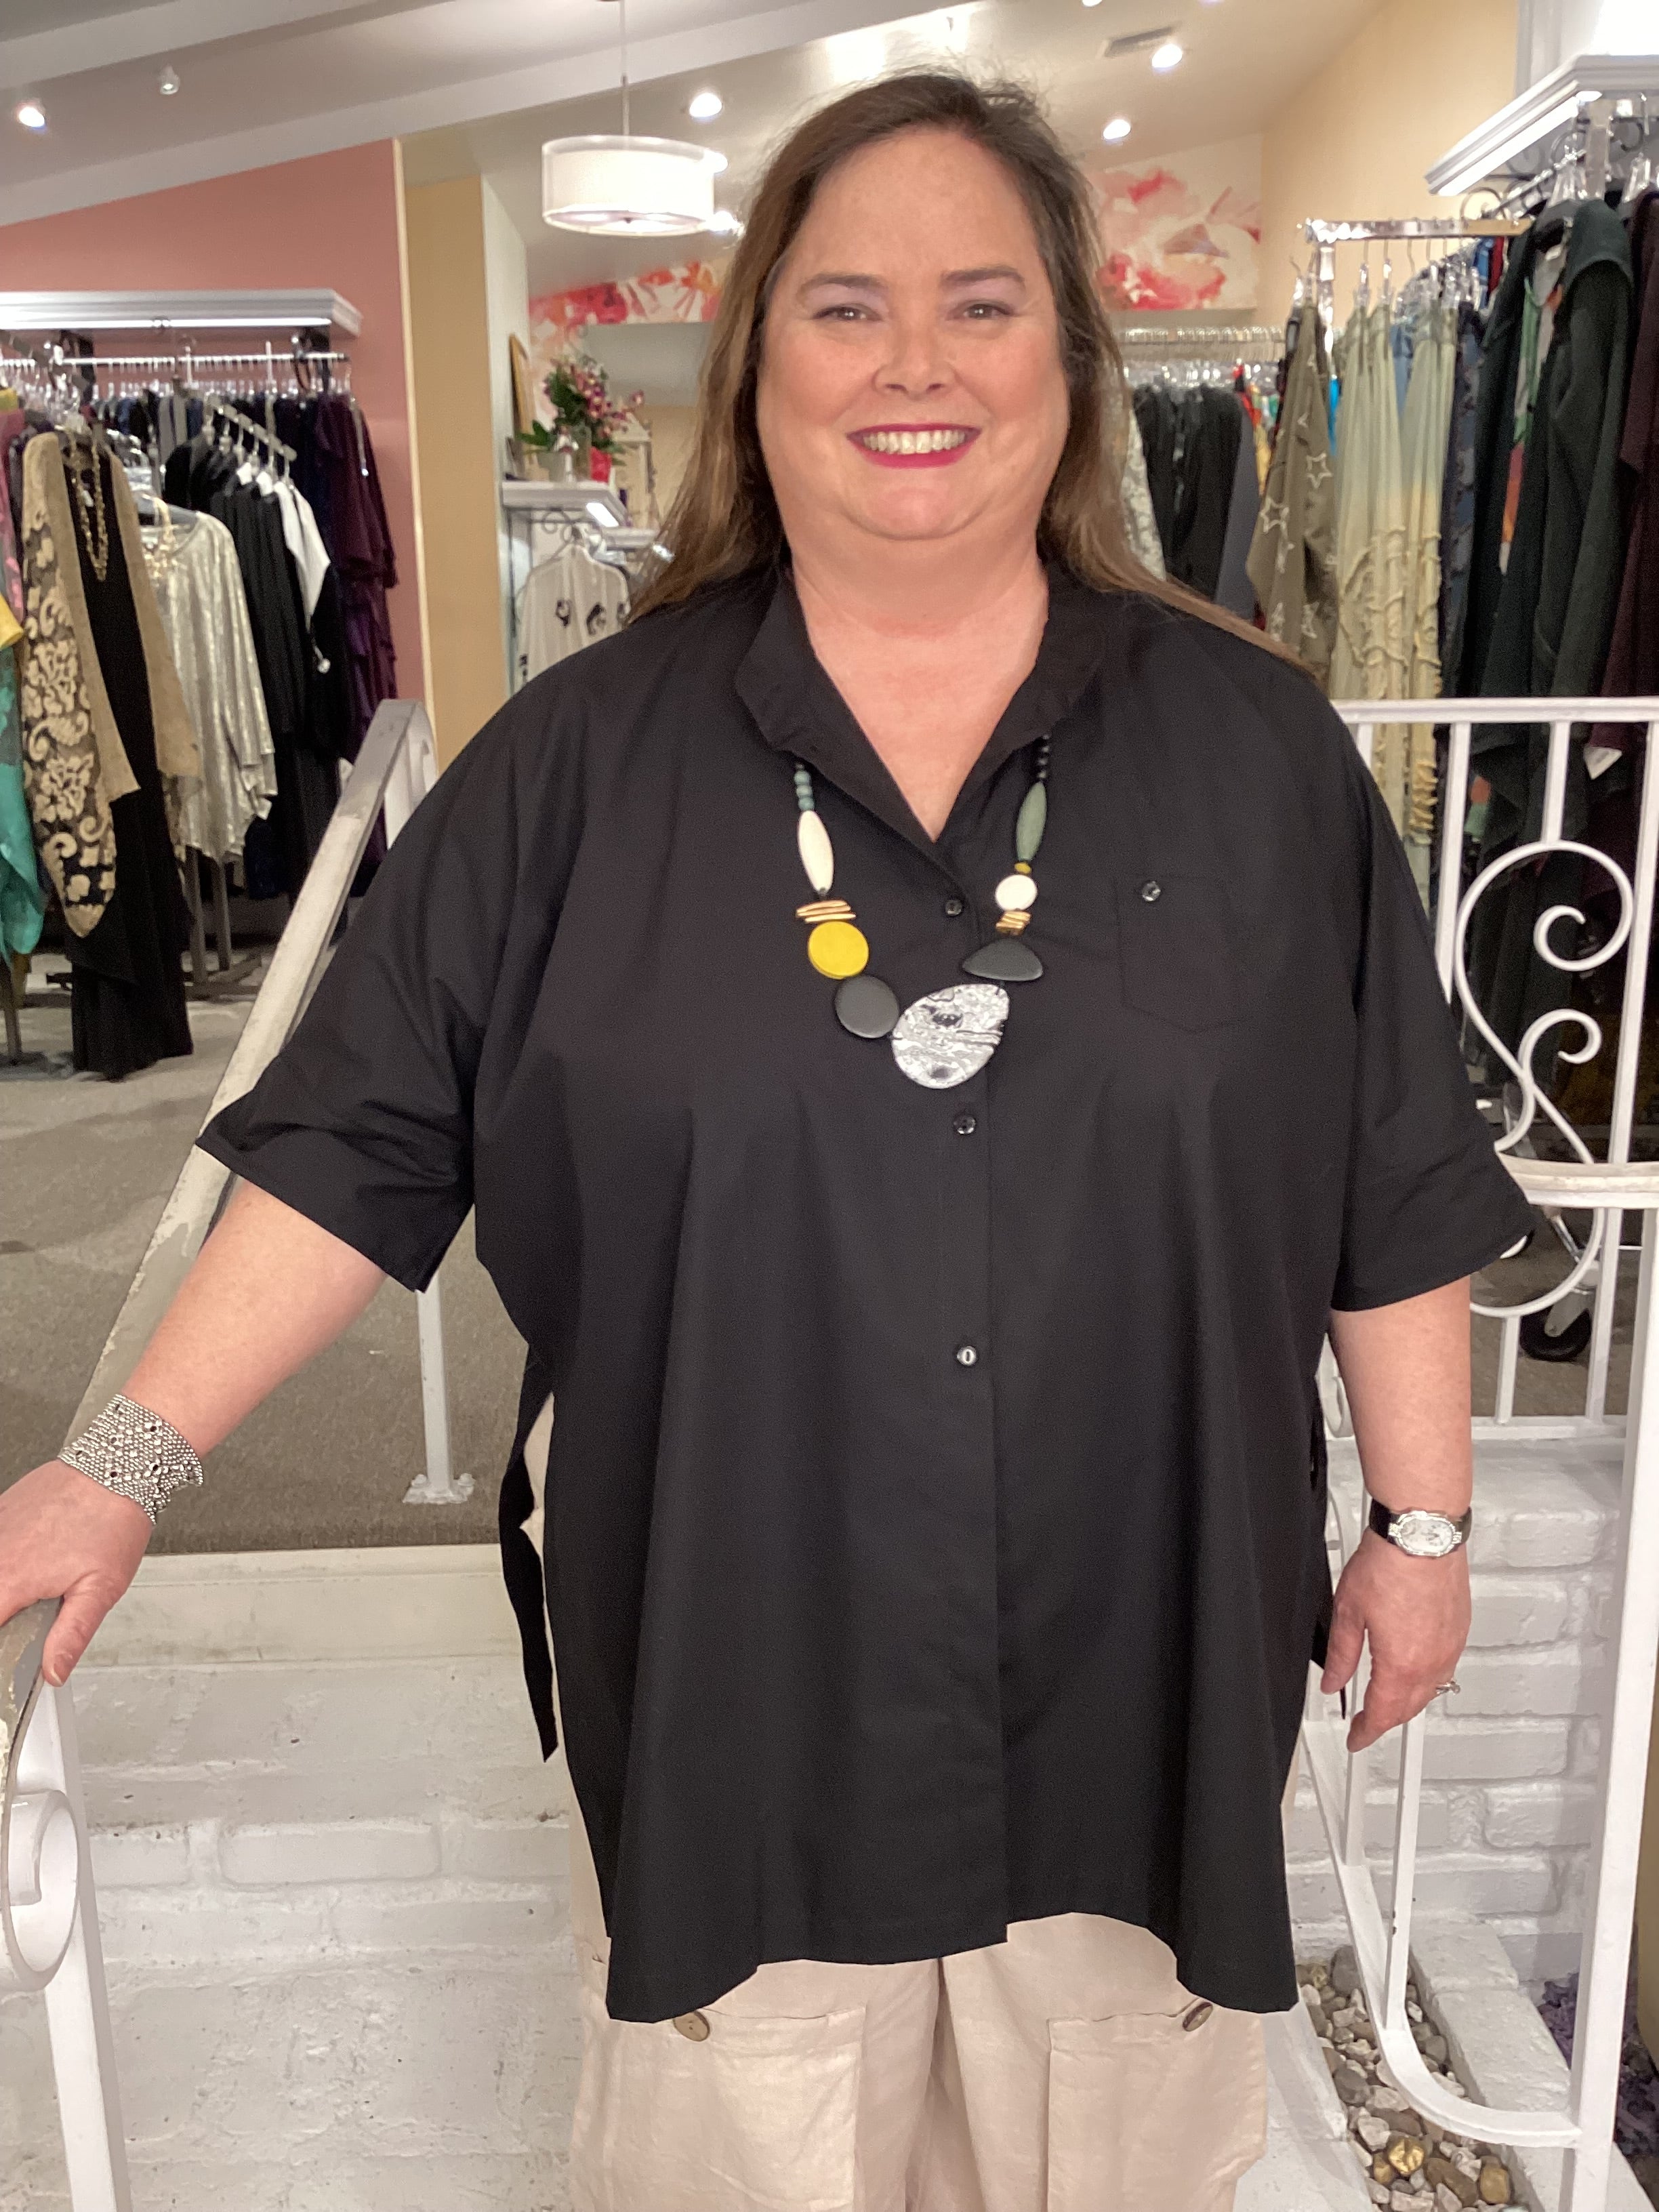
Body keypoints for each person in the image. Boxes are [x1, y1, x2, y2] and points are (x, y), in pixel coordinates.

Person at [0, 71, 1532, 2212]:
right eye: (845, 307)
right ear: (754, 368)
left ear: (1071, 363)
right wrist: (117, 1469)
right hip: (740, 1662)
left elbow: (1390, 1175)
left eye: (981, 304)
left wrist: (1425, 1530)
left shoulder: (1257, 753)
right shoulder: (573, 772)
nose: (916, 364)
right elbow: (354, 1145)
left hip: (1143, 1665)